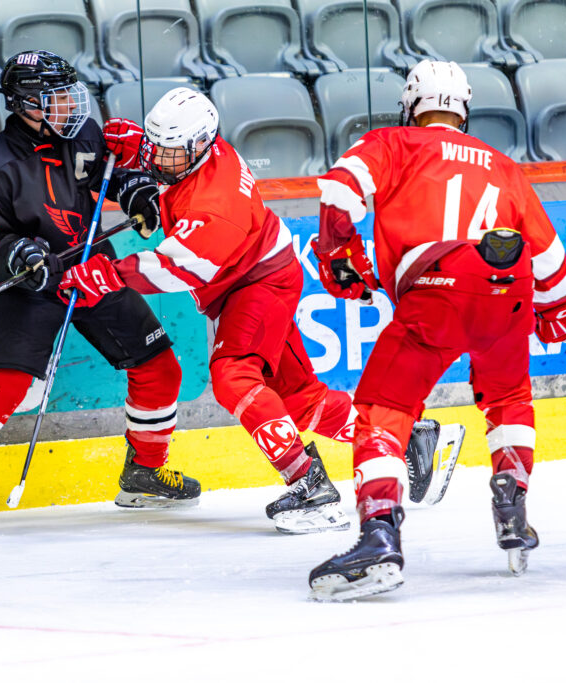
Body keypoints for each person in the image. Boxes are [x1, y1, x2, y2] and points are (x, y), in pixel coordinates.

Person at [57, 87, 459, 534]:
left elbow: (177, 267)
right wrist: (140, 148)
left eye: (169, 151)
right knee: (300, 400)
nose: (158, 158)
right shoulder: (199, 153)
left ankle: (309, 484)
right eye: (157, 146)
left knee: (234, 377)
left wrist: (111, 273)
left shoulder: (217, 203)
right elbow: (168, 179)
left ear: (198, 146)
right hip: (258, 277)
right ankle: (407, 437)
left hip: (256, 284)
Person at [307, 60, 566, 599]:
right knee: (509, 398)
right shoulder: (503, 166)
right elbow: (548, 255)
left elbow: (338, 190)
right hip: (506, 294)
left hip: (433, 293)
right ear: (464, 109)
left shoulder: (394, 144)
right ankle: (512, 502)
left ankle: (380, 530)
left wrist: (341, 249)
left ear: (412, 105)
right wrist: (557, 311)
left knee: (384, 411)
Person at [0, 51, 201, 530]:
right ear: (26, 103)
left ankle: (144, 472)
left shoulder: (83, 133)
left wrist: (139, 194)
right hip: (32, 286)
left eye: (69, 93)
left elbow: (112, 177)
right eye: (56, 97)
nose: (69, 103)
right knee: (6, 383)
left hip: (91, 270)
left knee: (159, 367)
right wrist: (24, 255)